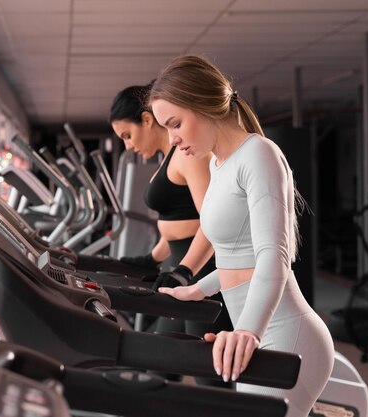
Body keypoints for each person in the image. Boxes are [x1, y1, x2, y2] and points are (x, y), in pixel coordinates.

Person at [149, 55, 334, 417]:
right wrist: (198, 289)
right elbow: (239, 258)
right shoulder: (219, 164)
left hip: (285, 334)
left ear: (203, 104)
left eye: (175, 124)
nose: (172, 140)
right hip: (259, 333)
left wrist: (247, 331)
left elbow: (273, 258)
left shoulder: (259, 154)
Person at [109, 84, 232, 386]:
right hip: (181, 273)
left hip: (200, 276)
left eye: (128, 135)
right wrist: (152, 258)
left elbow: (211, 223)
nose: (128, 146)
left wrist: (183, 271)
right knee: (156, 367)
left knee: (213, 379)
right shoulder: (170, 157)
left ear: (147, 120)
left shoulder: (187, 155)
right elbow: (179, 220)